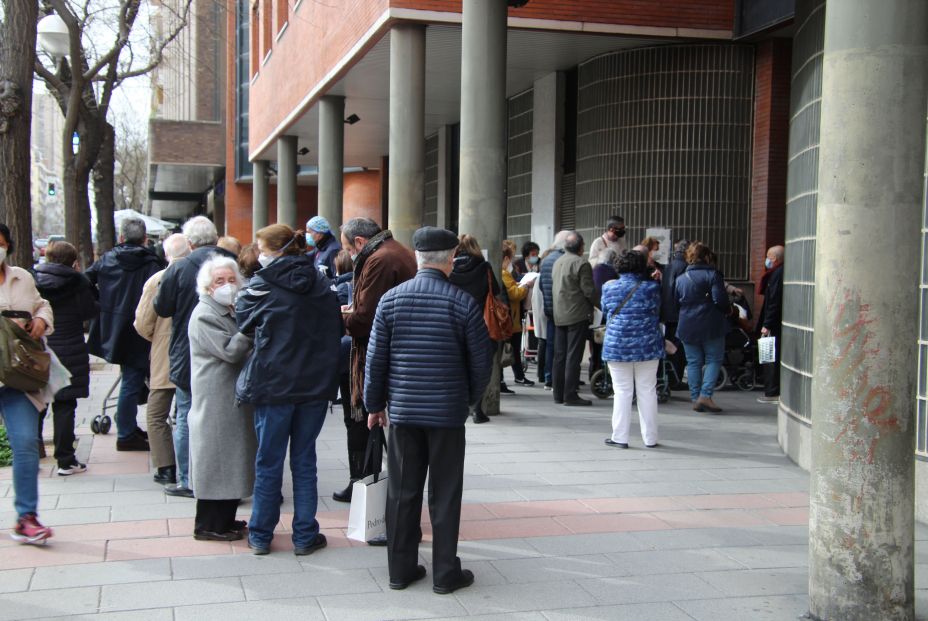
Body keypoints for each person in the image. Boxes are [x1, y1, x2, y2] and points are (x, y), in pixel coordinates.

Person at [365, 226, 493, 595]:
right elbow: (480, 362)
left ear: (419, 258)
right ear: (450, 259)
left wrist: (375, 405)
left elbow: (376, 361)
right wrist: (466, 400)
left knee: (403, 492)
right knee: (445, 492)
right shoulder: (462, 302)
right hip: (446, 415)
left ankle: (400, 570)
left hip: (403, 413)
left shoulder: (391, 300)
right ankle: (444, 573)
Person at [236, 224, 342, 555]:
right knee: (304, 460)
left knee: (268, 461)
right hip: (313, 385)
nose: (259, 254)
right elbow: (335, 328)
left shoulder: (261, 285)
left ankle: (260, 534)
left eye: (261, 248)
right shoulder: (322, 284)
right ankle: (304, 535)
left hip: (273, 384)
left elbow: (242, 321)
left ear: (274, 250)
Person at [339, 217, 416, 514]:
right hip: (394, 353)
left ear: (359, 242)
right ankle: (371, 485)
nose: (349, 254)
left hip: (383, 354)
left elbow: (365, 320)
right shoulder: (391, 251)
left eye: (348, 248)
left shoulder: (379, 260)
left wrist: (341, 317)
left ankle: (372, 488)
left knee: (371, 422)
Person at [154, 216, 235, 497]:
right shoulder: (234, 262)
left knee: (187, 416)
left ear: (189, 242)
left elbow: (161, 308)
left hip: (187, 354)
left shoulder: (179, 268)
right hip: (231, 351)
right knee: (230, 418)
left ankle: (189, 479)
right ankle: (229, 476)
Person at [188, 256, 255, 541]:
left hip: (228, 395)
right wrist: (247, 331)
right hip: (215, 396)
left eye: (231, 280)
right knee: (215, 459)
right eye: (220, 281)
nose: (227, 285)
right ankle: (209, 525)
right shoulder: (205, 313)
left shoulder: (227, 308)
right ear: (207, 286)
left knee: (229, 459)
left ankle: (225, 519)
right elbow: (229, 351)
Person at [87, 216, 164, 450]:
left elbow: (86, 281)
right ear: (144, 238)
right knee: (132, 379)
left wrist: (101, 305)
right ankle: (126, 432)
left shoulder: (107, 260)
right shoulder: (152, 263)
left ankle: (127, 426)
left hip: (114, 327)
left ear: (122, 237)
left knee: (130, 378)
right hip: (141, 327)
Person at [0, 223, 56, 543]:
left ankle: (26, 516)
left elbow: (42, 305)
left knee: (24, 444)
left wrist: (41, 320)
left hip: (18, 376)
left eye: (2, 243)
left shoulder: (22, 277)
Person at [34, 241, 99, 476]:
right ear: (73, 261)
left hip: (40, 347)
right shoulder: (77, 282)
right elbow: (89, 312)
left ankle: (31, 458)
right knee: (65, 405)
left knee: (37, 404)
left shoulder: (34, 279)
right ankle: (65, 460)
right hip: (70, 347)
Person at [133, 234, 189, 485]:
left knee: (156, 414)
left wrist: (157, 338)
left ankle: (166, 467)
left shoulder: (158, 280)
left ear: (167, 255)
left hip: (164, 353)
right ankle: (191, 464)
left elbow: (143, 322)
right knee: (189, 412)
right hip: (193, 354)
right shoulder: (200, 276)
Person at [601, 250, 663, 449]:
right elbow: (657, 310)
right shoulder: (652, 288)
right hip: (647, 345)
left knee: (622, 391)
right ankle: (650, 438)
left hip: (617, 344)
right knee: (647, 391)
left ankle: (620, 437)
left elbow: (605, 309)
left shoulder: (609, 287)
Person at [450, 234, 502, 422]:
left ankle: (460, 406)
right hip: (481, 323)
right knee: (480, 366)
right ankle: (477, 409)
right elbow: (495, 290)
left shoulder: (451, 267)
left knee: (458, 366)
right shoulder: (484, 267)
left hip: (456, 323)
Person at [675, 241, 731, 413]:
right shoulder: (713, 275)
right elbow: (720, 300)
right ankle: (705, 396)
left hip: (686, 324)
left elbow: (676, 302)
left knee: (693, 362)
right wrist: (728, 310)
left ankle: (695, 397)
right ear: (707, 256)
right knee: (713, 359)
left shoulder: (680, 278)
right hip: (710, 323)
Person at [552, 231, 596, 406]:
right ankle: (570, 394)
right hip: (577, 314)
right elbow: (588, 290)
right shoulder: (581, 263)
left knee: (559, 355)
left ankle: (558, 393)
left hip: (559, 313)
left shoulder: (558, 262)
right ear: (581, 247)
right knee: (573, 356)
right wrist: (599, 304)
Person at [538, 231, 570, 389]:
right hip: (565, 309)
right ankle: (561, 380)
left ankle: (549, 377)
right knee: (563, 347)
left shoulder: (546, 260)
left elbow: (541, 286)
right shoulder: (565, 260)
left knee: (551, 344)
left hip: (550, 308)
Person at [501, 240, 534, 389]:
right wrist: (526, 286)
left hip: (511, 318)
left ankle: (516, 377)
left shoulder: (507, 273)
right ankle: (505, 380)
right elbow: (514, 294)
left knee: (511, 349)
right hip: (510, 319)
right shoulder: (504, 274)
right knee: (509, 350)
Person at [757, 245, 784, 404]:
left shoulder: (777, 274)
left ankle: (772, 390)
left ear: (774, 258)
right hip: (774, 321)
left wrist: (766, 323)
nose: (766, 260)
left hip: (773, 323)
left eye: (768, 256)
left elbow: (774, 301)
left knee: (770, 357)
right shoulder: (778, 273)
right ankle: (771, 389)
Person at [660, 239, 690, 341]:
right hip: (678, 311)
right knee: (678, 343)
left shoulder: (668, 266)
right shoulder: (686, 267)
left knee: (670, 339)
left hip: (667, 310)